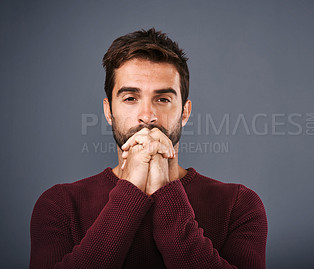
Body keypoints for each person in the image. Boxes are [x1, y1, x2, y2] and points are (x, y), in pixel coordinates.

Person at [30, 28, 267, 268]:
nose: (147, 116)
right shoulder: (58, 205)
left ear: (184, 112)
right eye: (130, 98)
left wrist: (166, 192)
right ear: (108, 111)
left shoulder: (239, 205)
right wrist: (130, 189)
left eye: (163, 99)